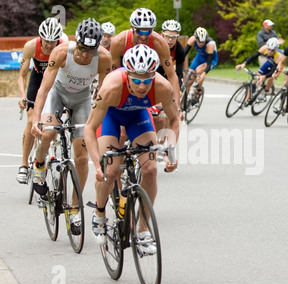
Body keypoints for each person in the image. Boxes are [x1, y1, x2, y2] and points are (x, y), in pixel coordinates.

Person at [84, 44, 180, 246]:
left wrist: (170, 150)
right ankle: (99, 212)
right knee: (109, 172)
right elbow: (89, 128)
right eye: (136, 80)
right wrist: (96, 164)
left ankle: (143, 229)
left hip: (138, 115)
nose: (142, 86)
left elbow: (174, 119)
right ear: (127, 75)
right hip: (111, 116)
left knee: (151, 170)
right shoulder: (111, 88)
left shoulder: (162, 87)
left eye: (147, 80)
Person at [30, 18, 112, 234]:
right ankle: (39, 165)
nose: (85, 55)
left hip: (82, 99)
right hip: (58, 93)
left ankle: (75, 207)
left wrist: (98, 122)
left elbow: (102, 96)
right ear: (77, 42)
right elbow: (43, 90)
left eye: (91, 50)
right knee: (47, 133)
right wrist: (36, 118)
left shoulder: (103, 58)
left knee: (81, 156)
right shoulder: (61, 52)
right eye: (82, 49)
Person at [16, 18, 64, 184]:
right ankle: (23, 164)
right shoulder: (31, 46)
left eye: (53, 41)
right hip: (37, 80)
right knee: (31, 121)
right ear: (40, 38)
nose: (50, 45)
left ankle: (53, 152)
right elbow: (22, 75)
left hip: (56, 80)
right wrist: (23, 95)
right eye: (46, 41)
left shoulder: (63, 45)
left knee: (56, 121)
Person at [110, 8, 181, 105]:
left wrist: (177, 107)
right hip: (127, 82)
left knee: (161, 118)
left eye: (147, 32)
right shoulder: (119, 42)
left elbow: (172, 75)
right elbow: (112, 74)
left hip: (148, 83)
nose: (143, 37)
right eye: (140, 32)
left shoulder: (159, 42)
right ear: (132, 27)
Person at [184, 27, 218, 105]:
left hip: (211, 60)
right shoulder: (192, 39)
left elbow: (209, 64)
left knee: (199, 70)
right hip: (199, 57)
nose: (201, 44)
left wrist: (203, 74)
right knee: (189, 81)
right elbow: (183, 54)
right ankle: (183, 102)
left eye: (203, 42)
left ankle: (198, 91)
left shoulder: (210, 44)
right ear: (196, 39)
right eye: (199, 42)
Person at [158, 19, 186, 88]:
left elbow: (179, 73)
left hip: (168, 68)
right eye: (167, 36)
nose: (170, 40)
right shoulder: (156, 43)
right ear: (162, 34)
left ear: (177, 37)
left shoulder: (180, 50)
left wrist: (178, 89)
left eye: (173, 37)